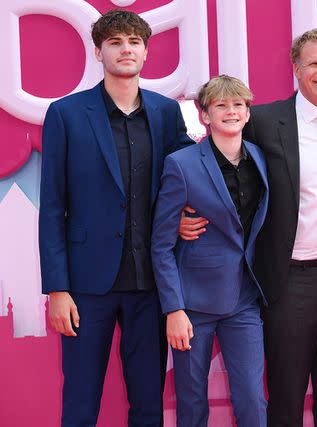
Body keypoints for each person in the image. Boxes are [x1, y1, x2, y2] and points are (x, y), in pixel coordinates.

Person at [180, 28, 317, 426]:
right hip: (290, 280)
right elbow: (216, 160)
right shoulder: (265, 121)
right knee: (285, 394)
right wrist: (186, 208)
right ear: (296, 70)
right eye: (314, 64)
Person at [39, 9, 192, 427]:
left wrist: (183, 217)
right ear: (98, 52)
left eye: (134, 42)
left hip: (150, 285)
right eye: (116, 42)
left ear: (145, 52)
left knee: (148, 406)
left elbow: (185, 180)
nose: (126, 49)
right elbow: (52, 206)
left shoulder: (165, 113)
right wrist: (57, 288)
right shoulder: (66, 114)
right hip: (87, 288)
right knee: (81, 403)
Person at [151, 75, 268, 427]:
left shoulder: (260, 158)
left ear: (248, 113)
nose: (230, 111)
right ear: (205, 115)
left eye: (237, 105)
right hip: (193, 306)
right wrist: (174, 309)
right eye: (221, 105)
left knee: (251, 396)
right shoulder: (181, 164)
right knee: (191, 399)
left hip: (245, 299)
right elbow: (161, 245)